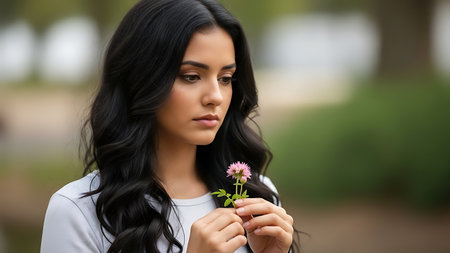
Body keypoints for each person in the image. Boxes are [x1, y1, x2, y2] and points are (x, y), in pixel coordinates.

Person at [40, 0, 298, 252]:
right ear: (143, 79)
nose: (216, 96)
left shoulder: (255, 198)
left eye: (226, 78)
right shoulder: (78, 211)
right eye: (191, 76)